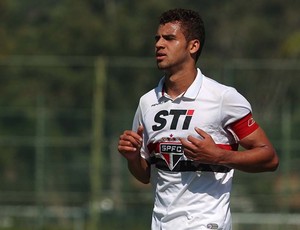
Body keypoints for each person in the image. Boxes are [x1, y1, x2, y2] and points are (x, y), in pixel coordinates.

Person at [118, 8, 279, 230]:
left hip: (207, 224)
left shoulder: (223, 98)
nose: (159, 44)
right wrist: (133, 157)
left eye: (169, 38)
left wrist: (219, 155)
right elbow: (144, 175)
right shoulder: (147, 102)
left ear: (193, 46)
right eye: (157, 38)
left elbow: (269, 158)